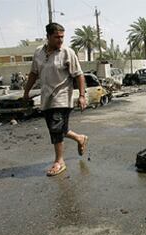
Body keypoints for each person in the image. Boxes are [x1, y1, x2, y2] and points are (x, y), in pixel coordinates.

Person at [23, 22, 88, 177]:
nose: (60, 40)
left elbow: (79, 74)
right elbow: (33, 73)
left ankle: (59, 161)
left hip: (62, 97)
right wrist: (26, 92)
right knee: (59, 129)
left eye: (62, 37)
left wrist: (82, 95)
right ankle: (80, 138)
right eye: (57, 37)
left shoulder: (67, 52)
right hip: (46, 98)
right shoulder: (38, 52)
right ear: (48, 37)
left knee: (56, 128)